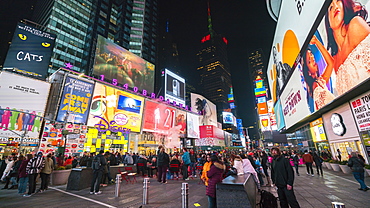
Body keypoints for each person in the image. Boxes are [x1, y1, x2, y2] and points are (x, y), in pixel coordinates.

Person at [325, 0, 370, 96]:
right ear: (327, 22)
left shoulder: (355, 24)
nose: (336, 6)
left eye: (338, 1)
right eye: (330, 7)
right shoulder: (335, 60)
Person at [303, 35, 335, 111]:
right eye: (309, 61)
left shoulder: (319, 81)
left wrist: (317, 42)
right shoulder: (316, 87)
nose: (312, 58)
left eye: (311, 54)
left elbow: (331, 63)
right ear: (308, 72)